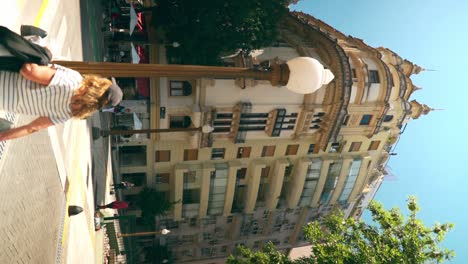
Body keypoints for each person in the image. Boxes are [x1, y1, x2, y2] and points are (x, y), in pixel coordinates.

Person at [0, 30, 123, 141]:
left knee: (43, 55)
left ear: (101, 85)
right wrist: (2, 137)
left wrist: (42, 53)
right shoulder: (69, 114)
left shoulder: (73, 80)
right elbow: (32, 128)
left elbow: (29, 70)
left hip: (4, 77)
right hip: (3, 102)